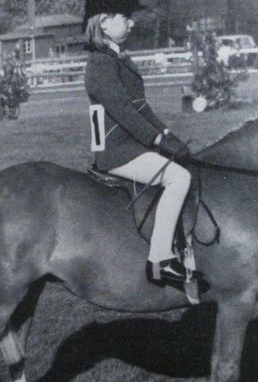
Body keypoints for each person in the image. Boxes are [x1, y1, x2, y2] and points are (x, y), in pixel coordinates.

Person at [83, 0, 204, 287]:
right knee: (178, 177)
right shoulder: (100, 63)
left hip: (132, 144)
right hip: (117, 151)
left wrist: (167, 134)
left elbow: (141, 107)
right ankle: (160, 260)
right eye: (125, 17)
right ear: (103, 22)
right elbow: (124, 112)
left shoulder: (117, 59)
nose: (132, 22)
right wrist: (158, 139)